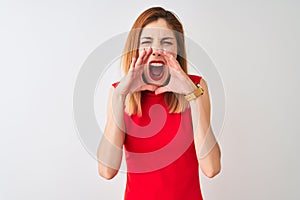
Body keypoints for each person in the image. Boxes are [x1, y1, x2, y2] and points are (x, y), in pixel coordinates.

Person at [97, 6, 221, 200]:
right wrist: (120, 95)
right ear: (135, 48)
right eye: (147, 42)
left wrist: (192, 94)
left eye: (166, 42)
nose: (156, 51)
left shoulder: (197, 87)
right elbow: (106, 170)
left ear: (177, 49)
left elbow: (212, 168)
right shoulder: (118, 92)